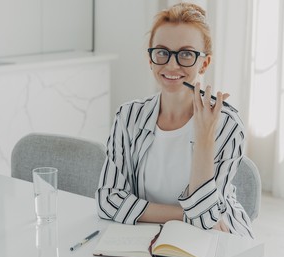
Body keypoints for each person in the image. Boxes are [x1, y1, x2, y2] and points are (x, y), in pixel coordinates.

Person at [95, 2, 253, 238]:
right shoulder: (128, 117)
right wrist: (181, 215)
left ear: (205, 62)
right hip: (147, 236)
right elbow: (108, 200)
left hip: (219, 237)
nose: (171, 64)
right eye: (162, 52)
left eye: (186, 54)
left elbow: (206, 220)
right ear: (150, 59)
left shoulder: (226, 125)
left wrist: (204, 139)